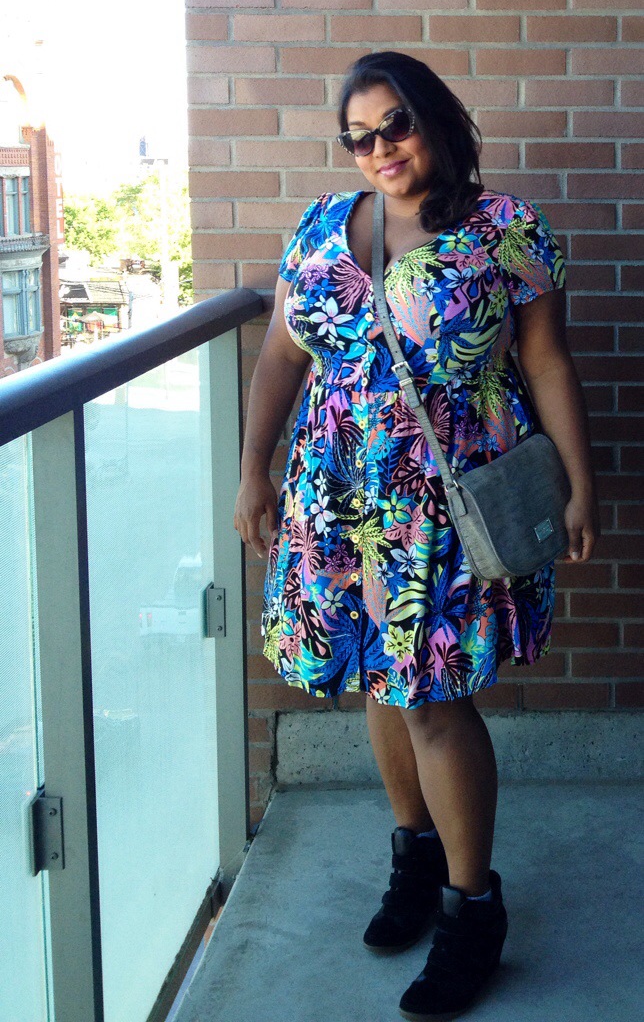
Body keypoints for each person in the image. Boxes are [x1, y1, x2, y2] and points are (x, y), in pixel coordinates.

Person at [234, 51, 599, 1022]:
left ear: (433, 118)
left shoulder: (504, 228)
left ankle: (472, 910)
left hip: (442, 502)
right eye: (358, 137)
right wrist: (253, 469)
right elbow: (281, 356)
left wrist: (580, 483)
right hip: (335, 497)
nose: (379, 149)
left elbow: (545, 361)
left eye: (394, 124)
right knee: (380, 683)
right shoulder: (321, 225)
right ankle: (417, 856)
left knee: (432, 697)